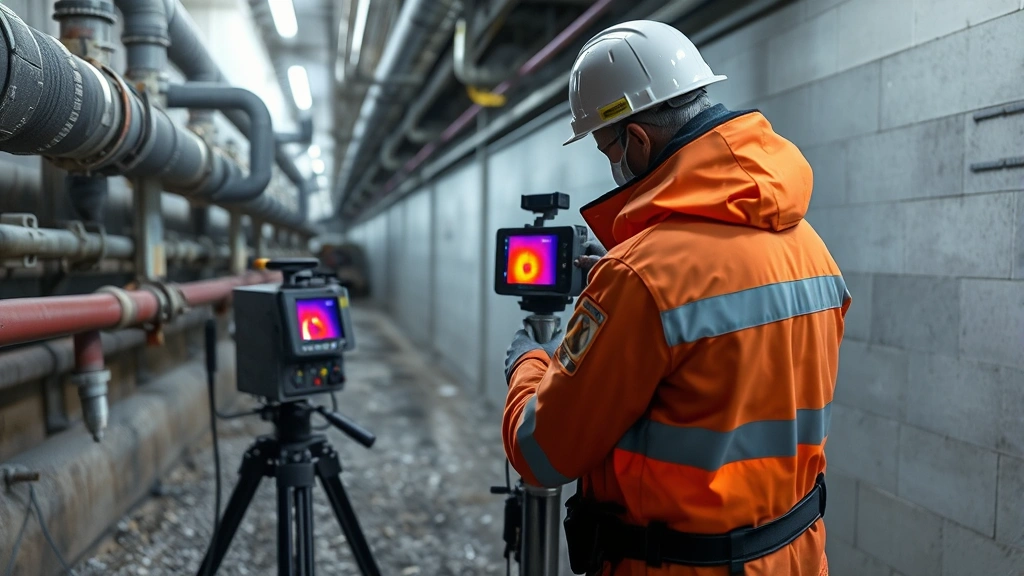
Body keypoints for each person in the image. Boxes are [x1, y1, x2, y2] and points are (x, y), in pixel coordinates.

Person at [503, 20, 849, 576]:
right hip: (793, 556)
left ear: (636, 140)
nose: (609, 162)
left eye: (605, 146)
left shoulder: (641, 278)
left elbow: (543, 455)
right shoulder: (809, 245)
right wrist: (626, 284)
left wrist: (527, 362)